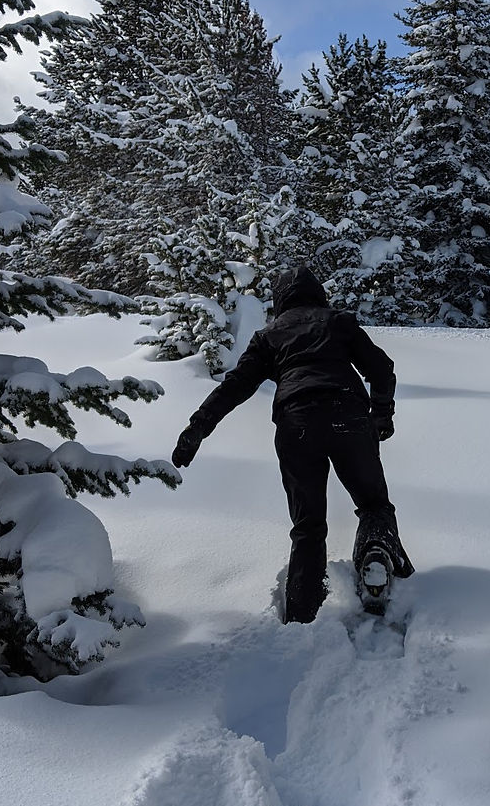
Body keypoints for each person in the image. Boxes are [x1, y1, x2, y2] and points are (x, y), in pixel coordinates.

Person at [171, 265, 413, 623]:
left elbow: (235, 386)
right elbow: (381, 368)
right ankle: (376, 551)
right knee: (373, 502)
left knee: (308, 526)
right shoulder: (338, 322)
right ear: (317, 294)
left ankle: (302, 617)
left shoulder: (268, 336)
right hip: (348, 415)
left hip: (296, 424)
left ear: (280, 300)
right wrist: (381, 416)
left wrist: (197, 428)